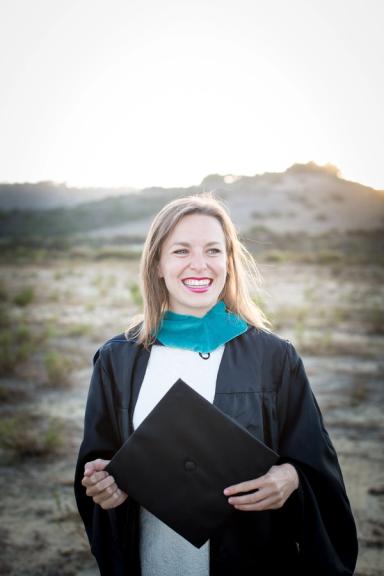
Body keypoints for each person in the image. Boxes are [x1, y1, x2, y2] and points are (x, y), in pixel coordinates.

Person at [74, 193, 358, 576]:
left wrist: (290, 479)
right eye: (180, 251)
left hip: (249, 558)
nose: (199, 264)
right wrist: (102, 487)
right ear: (157, 264)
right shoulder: (118, 359)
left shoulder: (274, 359)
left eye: (213, 250)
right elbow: (97, 465)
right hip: (151, 560)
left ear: (228, 262)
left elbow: (316, 466)